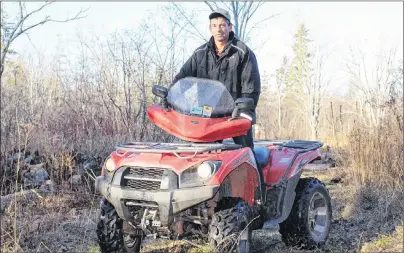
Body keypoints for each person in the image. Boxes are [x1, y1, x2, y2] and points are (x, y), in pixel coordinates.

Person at [170, 8, 261, 150]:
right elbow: (182, 79)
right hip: (207, 115)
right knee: (200, 157)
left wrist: (243, 109)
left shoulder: (243, 52)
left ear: (230, 27)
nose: (219, 29)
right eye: (214, 25)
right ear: (210, 28)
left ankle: (254, 169)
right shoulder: (200, 53)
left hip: (235, 116)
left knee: (246, 155)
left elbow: (251, 87)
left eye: (223, 25)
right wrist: (170, 96)